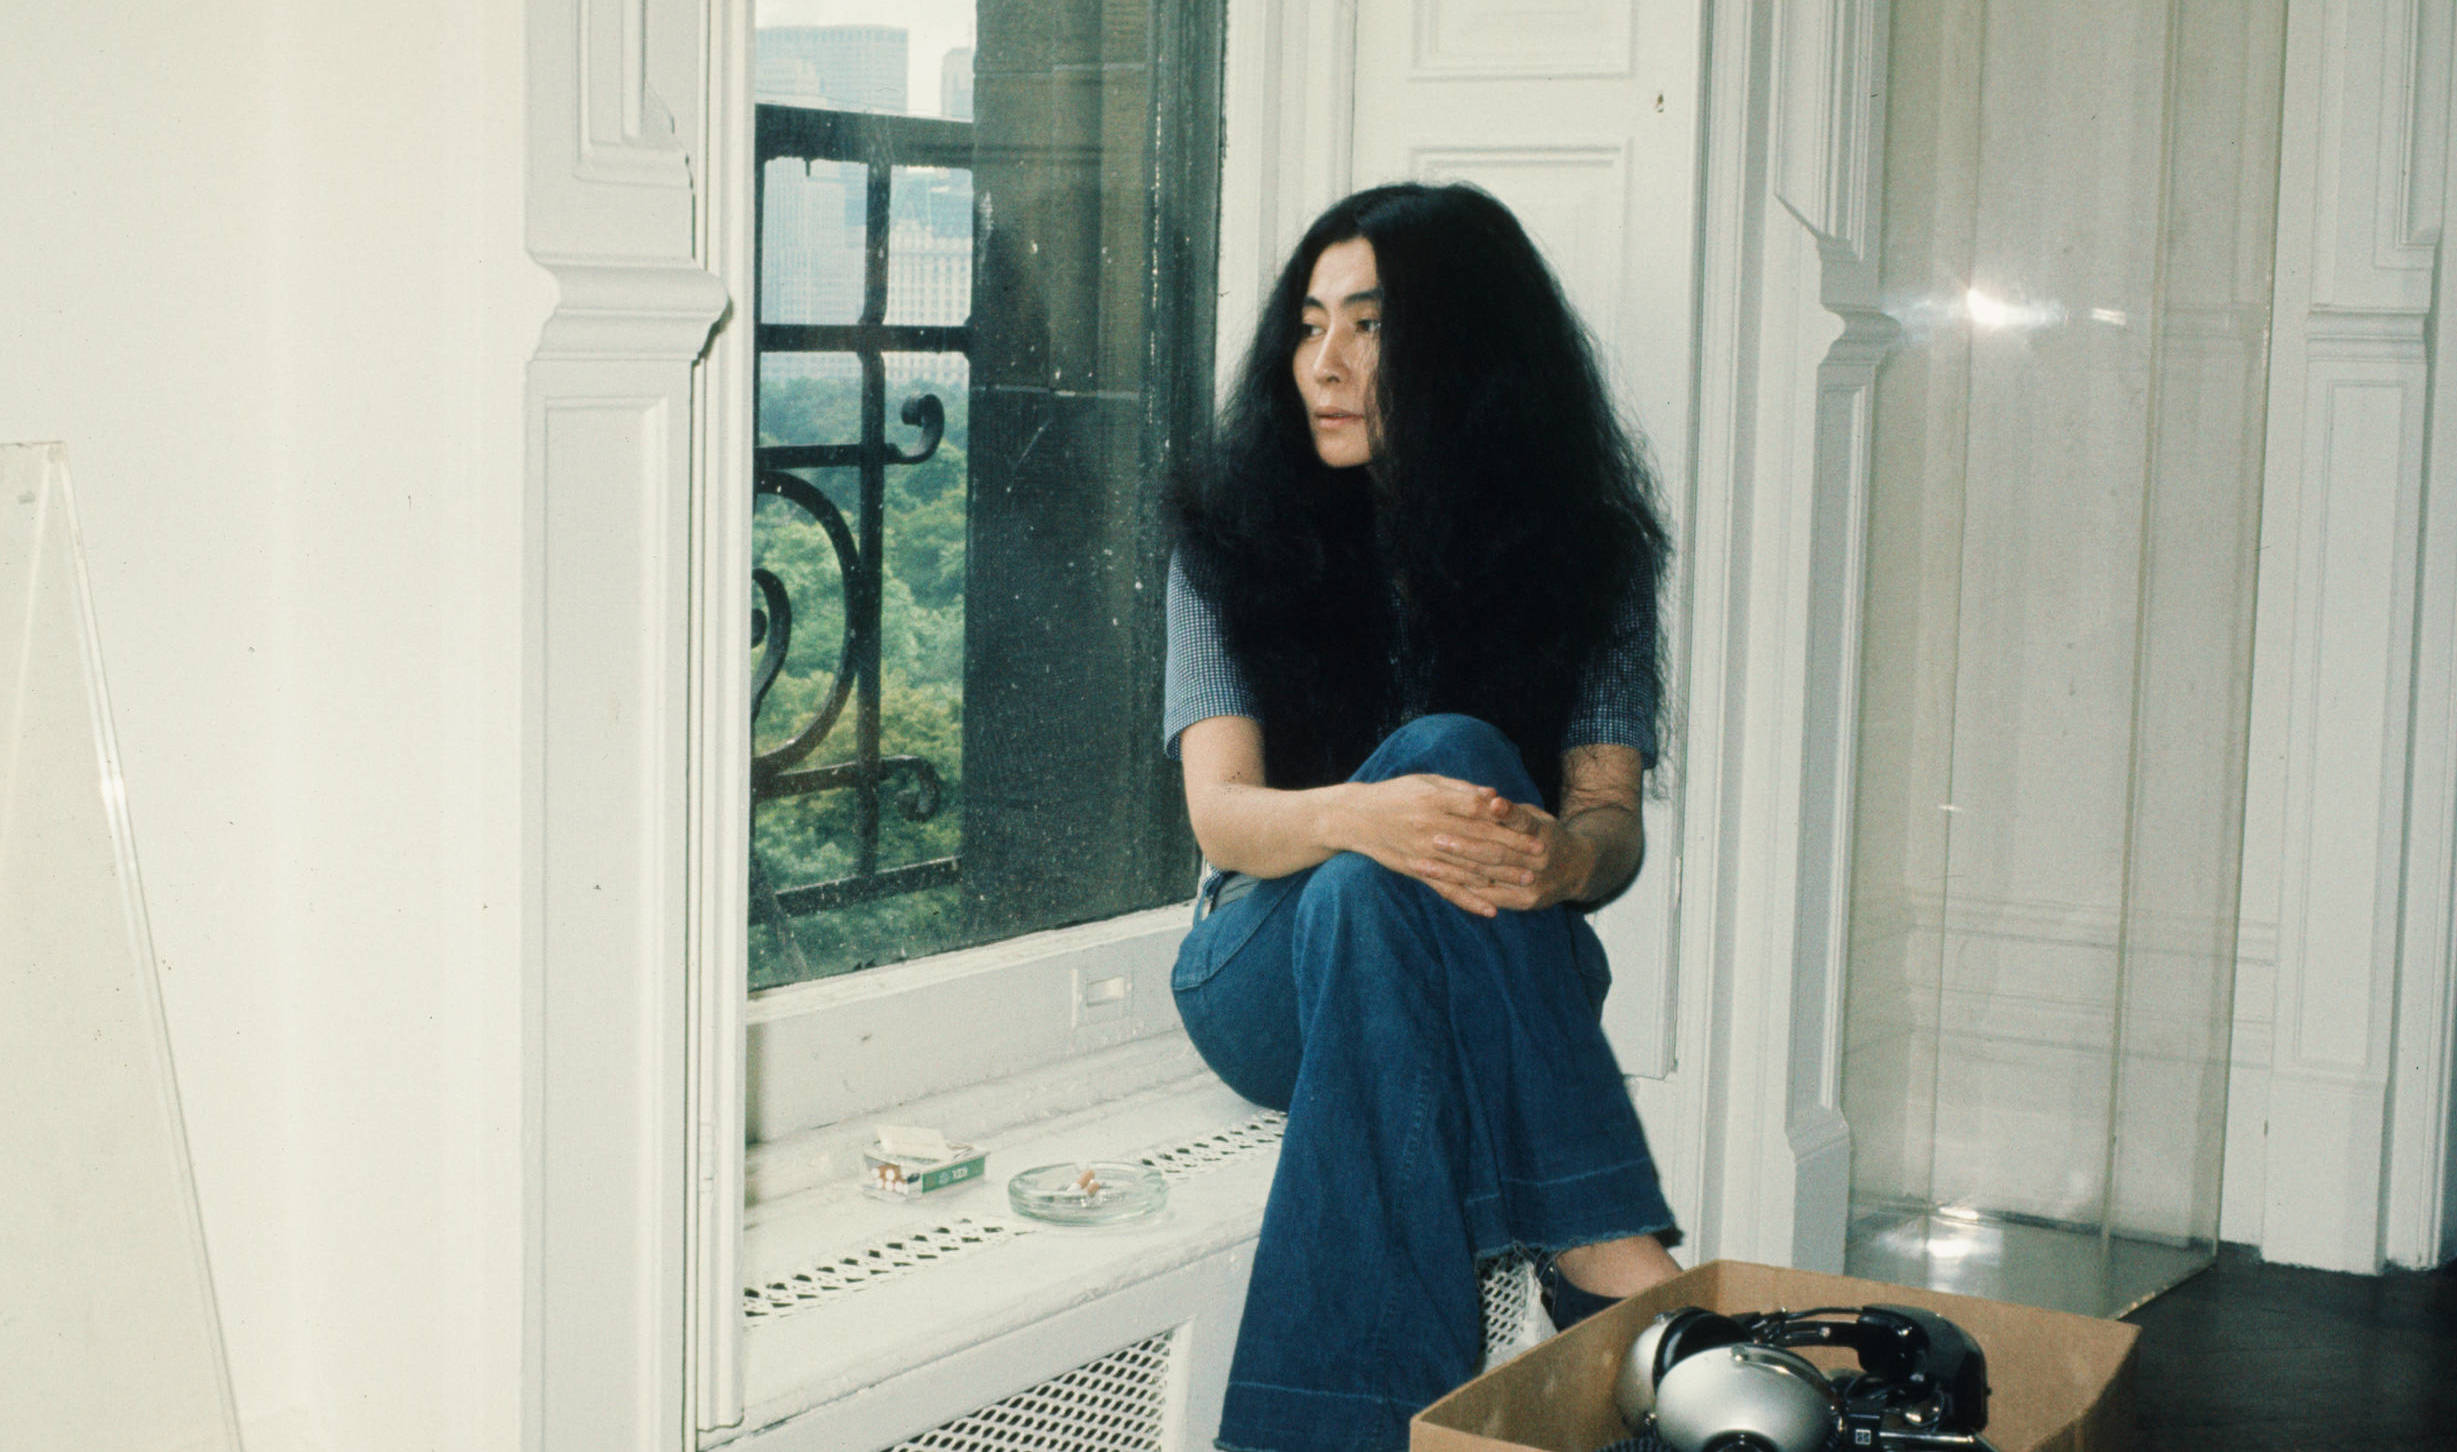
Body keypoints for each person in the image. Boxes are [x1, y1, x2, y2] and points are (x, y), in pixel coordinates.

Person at [1163, 181, 1683, 1452]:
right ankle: (1602, 1246)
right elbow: (1223, 820)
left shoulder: (1588, 557)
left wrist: (1566, 860)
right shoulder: (1231, 539)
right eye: (1308, 324)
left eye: (1369, 325)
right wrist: (1364, 816)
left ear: (1466, 349)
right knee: (1434, 773)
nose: (1322, 364)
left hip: (1468, 960)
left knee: (1375, 893)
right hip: (1260, 972)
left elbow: (1609, 822)